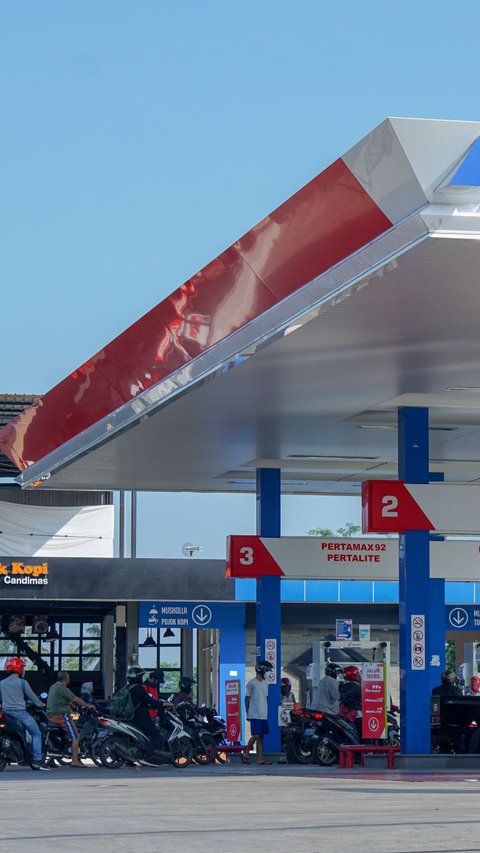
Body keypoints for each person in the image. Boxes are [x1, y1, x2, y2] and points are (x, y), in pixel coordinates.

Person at [0, 657, 49, 771]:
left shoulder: (2, 683)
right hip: (20, 713)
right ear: (19, 668)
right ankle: (37, 760)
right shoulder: (23, 683)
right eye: (22, 667)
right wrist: (41, 704)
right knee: (36, 733)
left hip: (5, 713)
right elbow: (32, 697)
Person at [124, 666, 174, 767]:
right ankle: (146, 757)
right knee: (156, 736)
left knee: (142, 738)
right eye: (140, 676)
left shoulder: (129, 688)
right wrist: (163, 704)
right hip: (142, 717)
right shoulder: (140, 688)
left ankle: (131, 758)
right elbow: (150, 701)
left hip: (131, 717)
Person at [46, 671, 96, 767]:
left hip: (51, 715)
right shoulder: (62, 688)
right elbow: (75, 699)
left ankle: (51, 760)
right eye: (68, 680)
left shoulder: (53, 687)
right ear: (65, 679)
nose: (69, 682)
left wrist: (72, 706)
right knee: (76, 736)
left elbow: (61, 699)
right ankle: (74, 760)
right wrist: (88, 705)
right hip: (61, 716)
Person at [242, 660, 273, 766]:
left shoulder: (265, 683)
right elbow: (247, 698)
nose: (267, 672)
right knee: (256, 735)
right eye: (266, 670)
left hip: (263, 713)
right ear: (261, 670)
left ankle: (260, 759)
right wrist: (247, 711)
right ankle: (246, 752)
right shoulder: (251, 683)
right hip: (254, 714)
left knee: (261, 737)